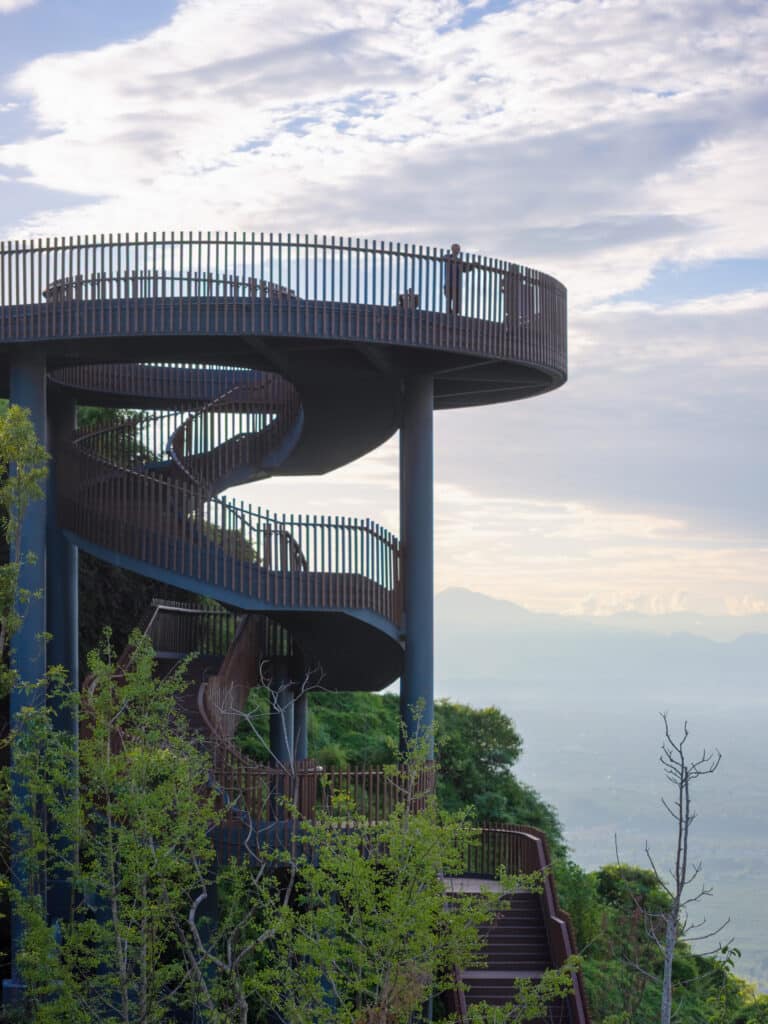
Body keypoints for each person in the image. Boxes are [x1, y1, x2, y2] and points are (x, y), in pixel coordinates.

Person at [443, 243, 476, 315]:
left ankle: (454, 314)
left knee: (457, 301)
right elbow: (443, 258)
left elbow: (464, 269)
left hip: (457, 285)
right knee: (449, 299)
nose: (457, 251)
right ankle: (449, 313)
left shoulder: (459, 261)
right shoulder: (448, 257)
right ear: (452, 249)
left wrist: (472, 266)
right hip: (449, 283)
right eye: (455, 249)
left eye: (458, 249)